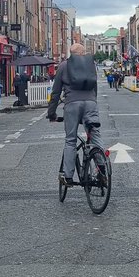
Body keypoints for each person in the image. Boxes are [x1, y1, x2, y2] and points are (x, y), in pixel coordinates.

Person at [47, 43, 103, 186]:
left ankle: (68, 177)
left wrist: (51, 113)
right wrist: (93, 103)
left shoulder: (64, 66)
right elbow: (95, 87)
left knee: (71, 140)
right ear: (83, 52)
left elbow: (56, 92)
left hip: (72, 104)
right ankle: (102, 169)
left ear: (71, 53)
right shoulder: (91, 65)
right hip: (90, 103)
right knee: (95, 135)